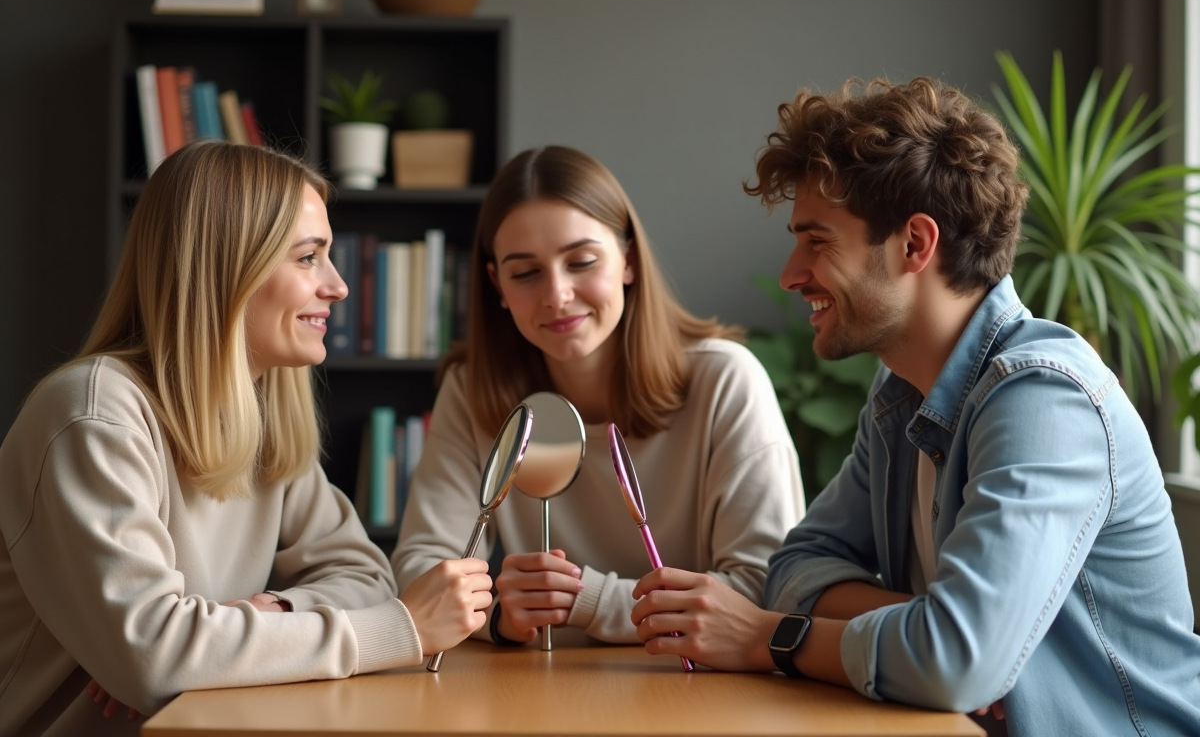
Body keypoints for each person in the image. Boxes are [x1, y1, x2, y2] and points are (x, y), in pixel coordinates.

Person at [629, 78, 1200, 736]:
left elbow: (953, 662)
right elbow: (794, 568)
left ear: (915, 244)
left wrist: (772, 640)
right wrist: (923, 627)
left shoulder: (1046, 399)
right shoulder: (901, 392)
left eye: (817, 240)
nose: (790, 273)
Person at [0, 141, 494, 737]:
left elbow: (366, 577)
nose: (337, 286)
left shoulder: (263, 414)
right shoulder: (92, 416)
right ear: (225, 266)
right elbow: (154, 663)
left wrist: (264, 615)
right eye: (308, 258)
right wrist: (399, 630)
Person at [392, 145, 805, 646]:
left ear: (628, 260)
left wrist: (587, 600)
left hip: (692, 690)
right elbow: (422, 570)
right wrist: (499, 615)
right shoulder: (472, 390)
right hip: (532, 697)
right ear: (497, 284)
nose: (557, 295)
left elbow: (765, 591)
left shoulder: (726, 382)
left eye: (582, 261)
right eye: (525, 273)